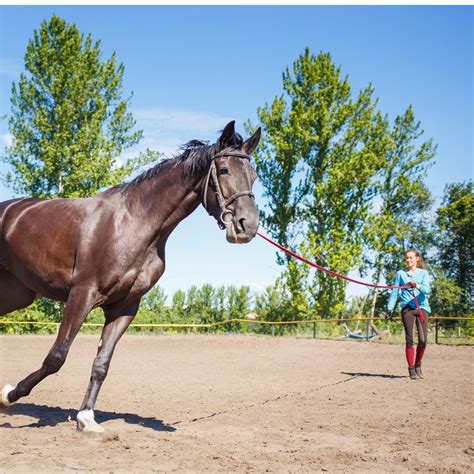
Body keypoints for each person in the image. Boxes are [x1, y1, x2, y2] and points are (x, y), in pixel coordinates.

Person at [387, 249, 431, 380]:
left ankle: (418, 365)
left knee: (423, 341)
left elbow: (427, 290)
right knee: (410, 340)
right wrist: (389, 309)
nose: (409, 260)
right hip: (407, 309)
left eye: (411, 258)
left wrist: (416, 285)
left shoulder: (423, 273)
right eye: (407, 258)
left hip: (422, 307)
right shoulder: (401, 274)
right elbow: (395, 292)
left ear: (417, 258)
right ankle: (411, 369)